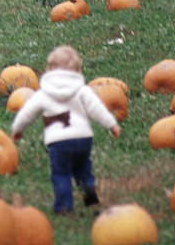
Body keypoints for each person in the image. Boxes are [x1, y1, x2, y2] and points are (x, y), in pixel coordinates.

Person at [11, 46, 121, 214]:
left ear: (49, 70)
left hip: (58, 142)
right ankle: (88, 188)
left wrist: (17, 129)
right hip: (83, 138)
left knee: (61, 173)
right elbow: (97, 108)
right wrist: (111, 124)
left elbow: (27, 113)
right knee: (83, 166)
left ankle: (63, 206)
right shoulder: (82, 90)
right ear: (77, 70)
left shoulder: (44, 93)